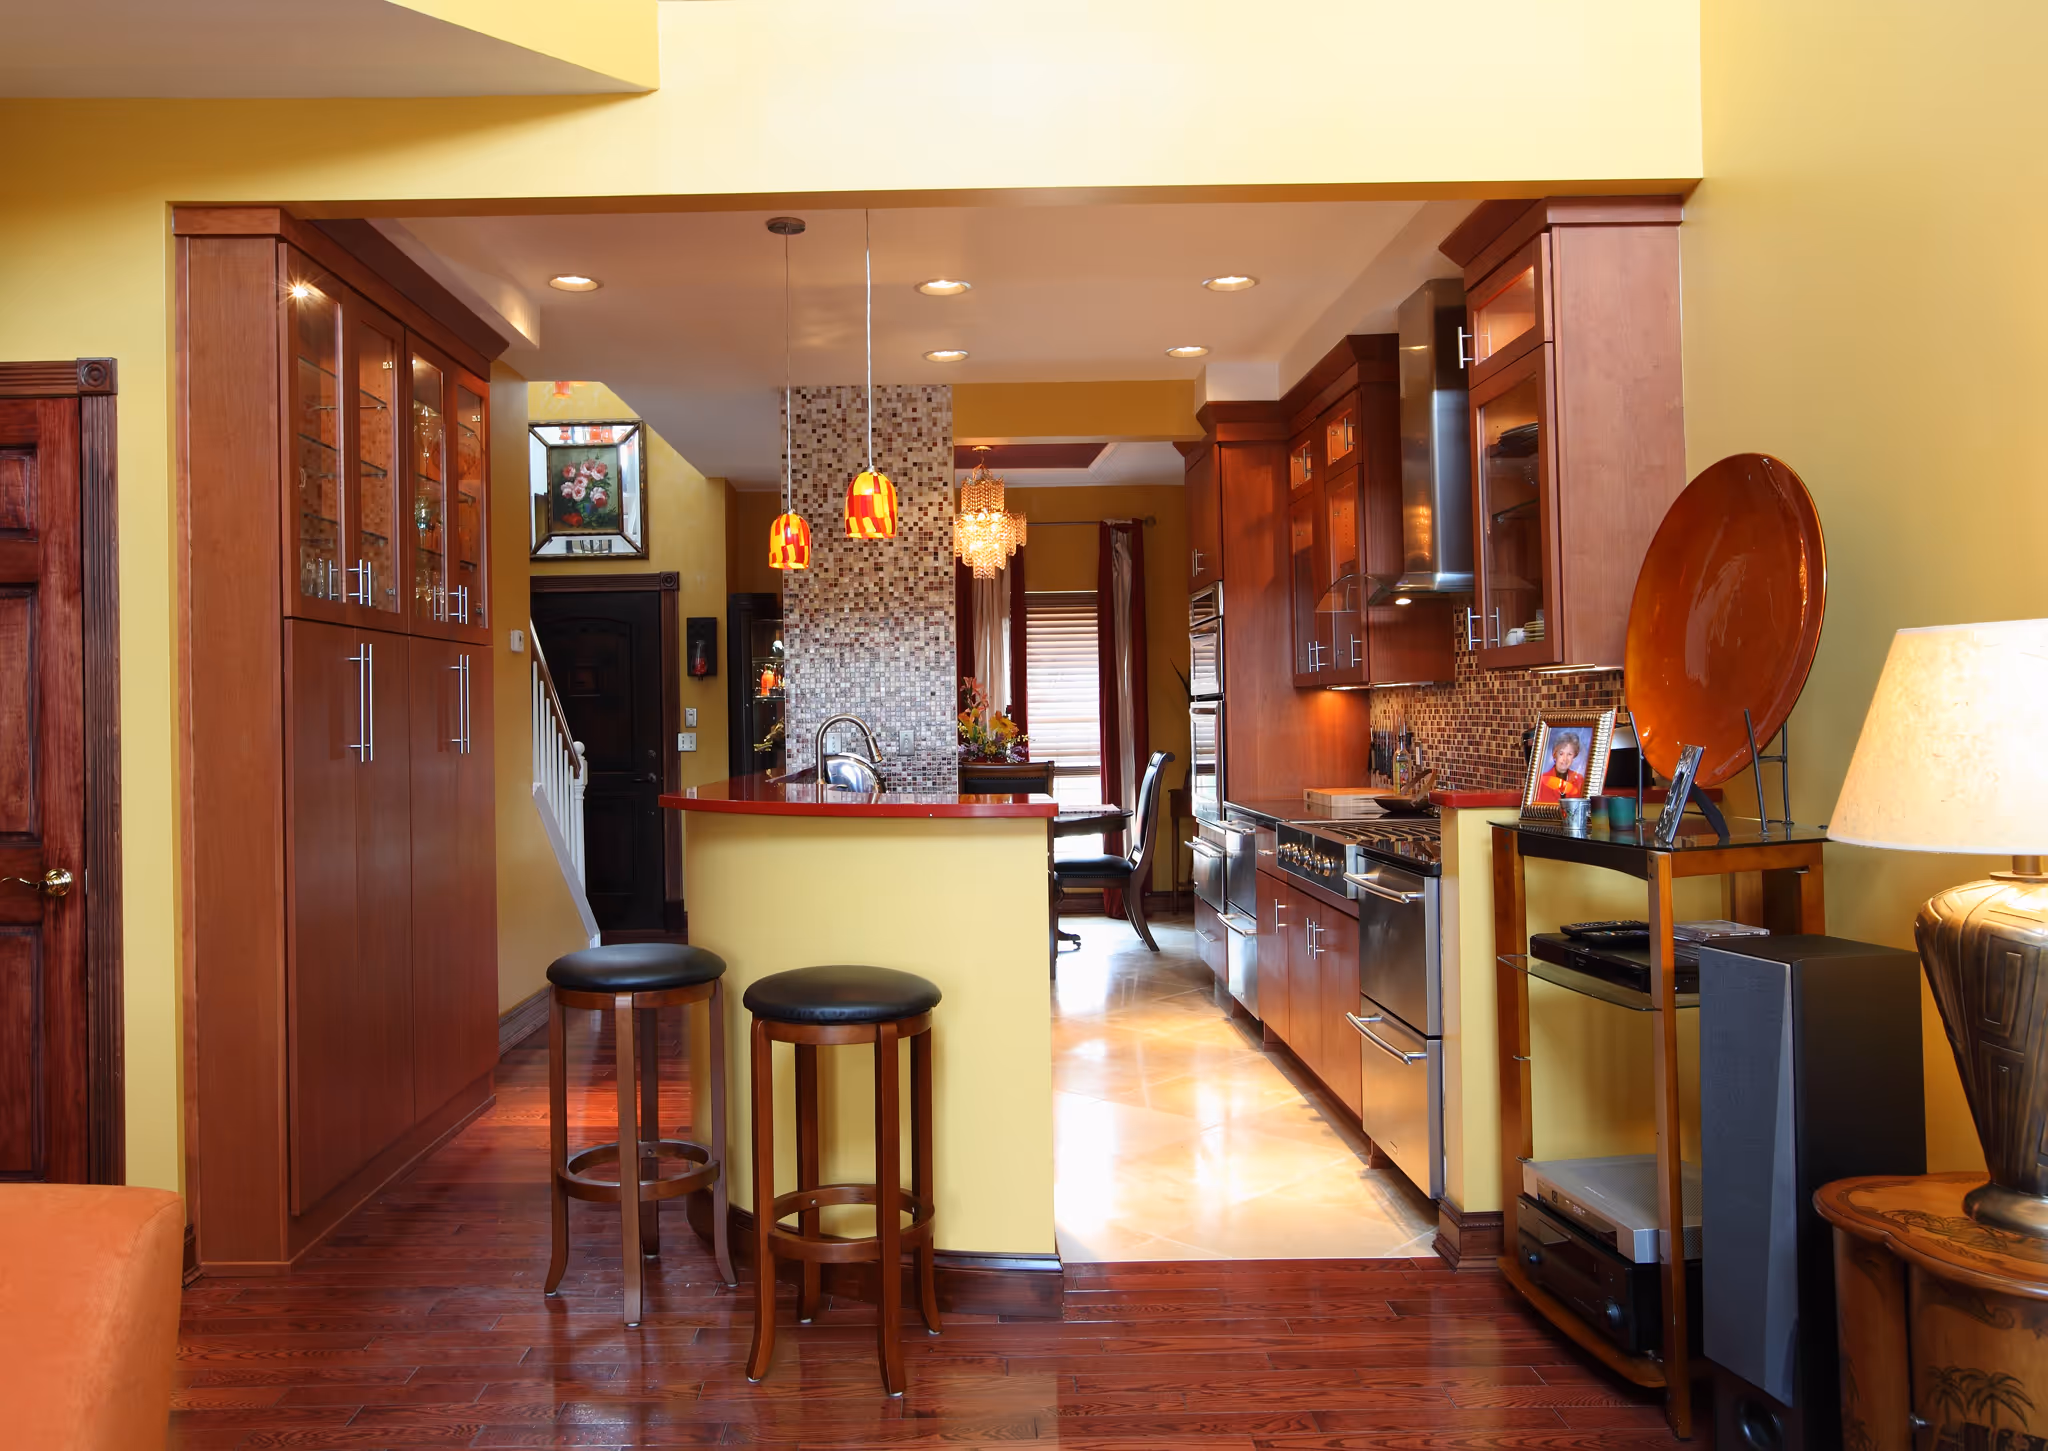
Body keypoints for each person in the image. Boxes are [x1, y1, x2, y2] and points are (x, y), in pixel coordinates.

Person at [1535, 730, 1588, 802]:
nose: (1565, 759)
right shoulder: (1541, 781)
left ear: (1574, 756)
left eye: (1569, 754)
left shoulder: (1579, 780)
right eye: (1561, 753)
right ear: (1555, 755)